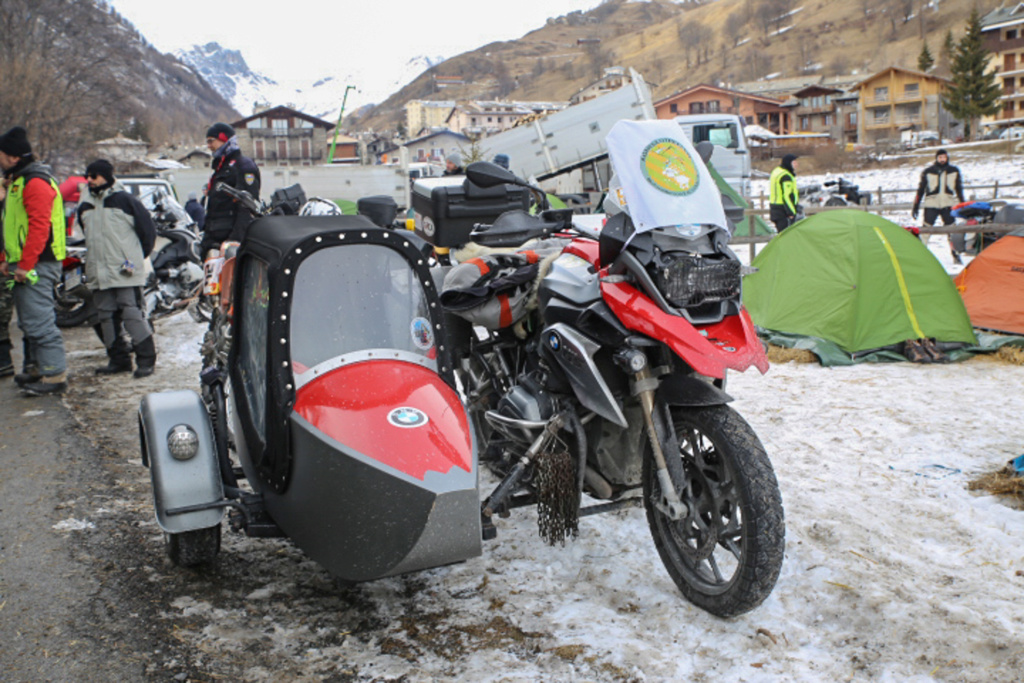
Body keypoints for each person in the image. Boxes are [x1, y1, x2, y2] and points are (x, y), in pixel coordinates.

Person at [0, 126, 68, 395]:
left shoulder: (34, 183)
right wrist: (8, 259)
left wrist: (25, 265)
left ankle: (54, 376)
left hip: (39, 263)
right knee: (30, 321)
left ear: (14, 157)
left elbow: (39, 228)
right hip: (28, 262)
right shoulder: (20, 182)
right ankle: (40, 369)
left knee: (39, 322)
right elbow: (13, 227)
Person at [77, 159, 158, 378]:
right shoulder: (85, 205)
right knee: (106, 316)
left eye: (94, 176)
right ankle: (119, 360)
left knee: (132, 313)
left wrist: (133, 258)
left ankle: (146, 359)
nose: (90, 181)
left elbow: (147, 233)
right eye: (88, 177)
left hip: (125, 271)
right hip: (99, 271)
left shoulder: (125, 201)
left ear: (106, 176)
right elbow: (85, 235)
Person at [202, 122, 260, 256]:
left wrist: (235, 241)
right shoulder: (220, 167)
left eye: (211, 141)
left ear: (224, 139)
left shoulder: (243, 166)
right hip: (214, 238)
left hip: (228, 240)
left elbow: (247, 207)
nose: (209, 146)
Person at [912, 148, 966, 264]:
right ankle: (919, 254)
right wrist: (915, 206)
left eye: (944, 157)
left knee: (952, 230)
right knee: (926, 230)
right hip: (931, 204)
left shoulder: (954, 171)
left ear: (947, 158)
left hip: (948, 204)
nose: (942, 160)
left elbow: (959, 189)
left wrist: (962, 204)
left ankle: (955, 255)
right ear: (936, 158)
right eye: (940, 157)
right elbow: (921, 189)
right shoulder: (928, 171)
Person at [768, 154, 800, 232]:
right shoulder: (786, 176)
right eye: (794, 162)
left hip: (775, 208)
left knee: (781, 235)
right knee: (787, 236)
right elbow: (787, 196)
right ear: (789, 163)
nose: (797, 164)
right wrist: (791, 213)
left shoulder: (777, 171)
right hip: (784, 211)